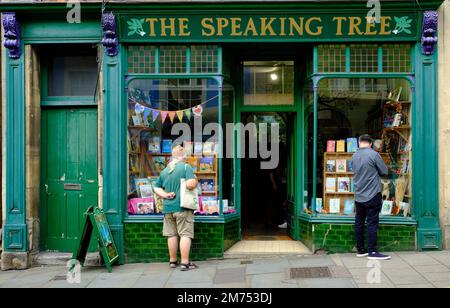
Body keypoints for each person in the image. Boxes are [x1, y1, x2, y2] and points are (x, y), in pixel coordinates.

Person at [153, 145, 199, 271]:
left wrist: (166, 195)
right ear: (184, 156)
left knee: (171, 235)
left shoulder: (165, 170)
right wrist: (195, 180)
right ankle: (185, 263)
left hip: (168, 208)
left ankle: (173, 261)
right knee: (185, 234)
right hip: (182, 206)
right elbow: (190, 185)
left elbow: (156, 187)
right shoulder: (186, 167)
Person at [350, 134, 391, 260]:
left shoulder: (354, 156)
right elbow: (385, 171)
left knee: (359, 223)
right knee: (372, 223)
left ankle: (361, 250)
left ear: (359, 143)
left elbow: (353, 171)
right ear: (371, 143)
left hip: (358, 195)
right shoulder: (374, 155)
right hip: (372, 194)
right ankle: (372, 252)